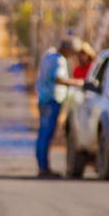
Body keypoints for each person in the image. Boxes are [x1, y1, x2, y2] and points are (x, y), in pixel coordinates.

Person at [35, 37, 83, 178]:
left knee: (43, 134)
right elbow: (58, 78)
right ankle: (43, 169)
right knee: (46, 134)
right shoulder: (59, 60)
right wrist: (77, 83)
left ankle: (43, 166)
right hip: (52, 100)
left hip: (43, 98)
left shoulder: (48, 55)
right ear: (67, 50)